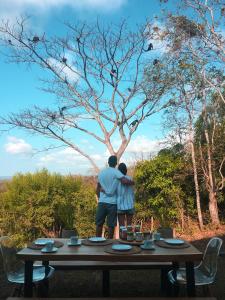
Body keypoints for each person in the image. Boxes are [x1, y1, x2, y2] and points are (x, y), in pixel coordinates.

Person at [96, 155, 133, 239]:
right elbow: (125, 181)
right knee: (111, 225)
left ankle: (97, 241)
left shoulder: (101, 172)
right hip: (112, 203)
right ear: (116, 163)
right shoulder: (116, 172)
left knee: (99, 224)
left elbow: (97, 188)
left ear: (108, 162)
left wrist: (100, 198)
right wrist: (132, 182)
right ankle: (109, 242)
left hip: (102, 202)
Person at [117, 163, 135, 227]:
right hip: (130, 204)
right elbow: (133, 191)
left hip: (120, 206)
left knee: (122, 227)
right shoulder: (130, 178)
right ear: (126, 170)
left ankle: (122, 237)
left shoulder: (117, 180)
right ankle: (129, 237)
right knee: (129, 226)